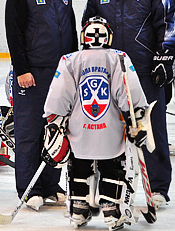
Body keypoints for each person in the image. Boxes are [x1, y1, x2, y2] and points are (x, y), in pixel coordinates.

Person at [82, 0, 175, 208]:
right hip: (110, 74)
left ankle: (158, 187)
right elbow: (87, 30)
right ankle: (110, 185)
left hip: (146, 72)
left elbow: (168, 25)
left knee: (152, 128)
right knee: (108, 130)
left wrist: (164, 59)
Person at [43, 17, 151, 229]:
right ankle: (111, 210)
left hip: (79, 127)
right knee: (112, 167)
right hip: (110, 128)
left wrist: (55, 121)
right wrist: (135, 118)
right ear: (108, 36)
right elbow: (129, 92)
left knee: (79, 167)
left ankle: (78, 209)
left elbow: (59, 95)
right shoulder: (118, 57)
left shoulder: (69, 60)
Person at [5, 0, 78, 210]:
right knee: (29, 132)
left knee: (56, 129)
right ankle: (29, 188)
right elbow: (13, 33)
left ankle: (50, 184)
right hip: (32, 74)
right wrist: (22, 69)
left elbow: (71, 30)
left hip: (60, 73)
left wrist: (74, 66)